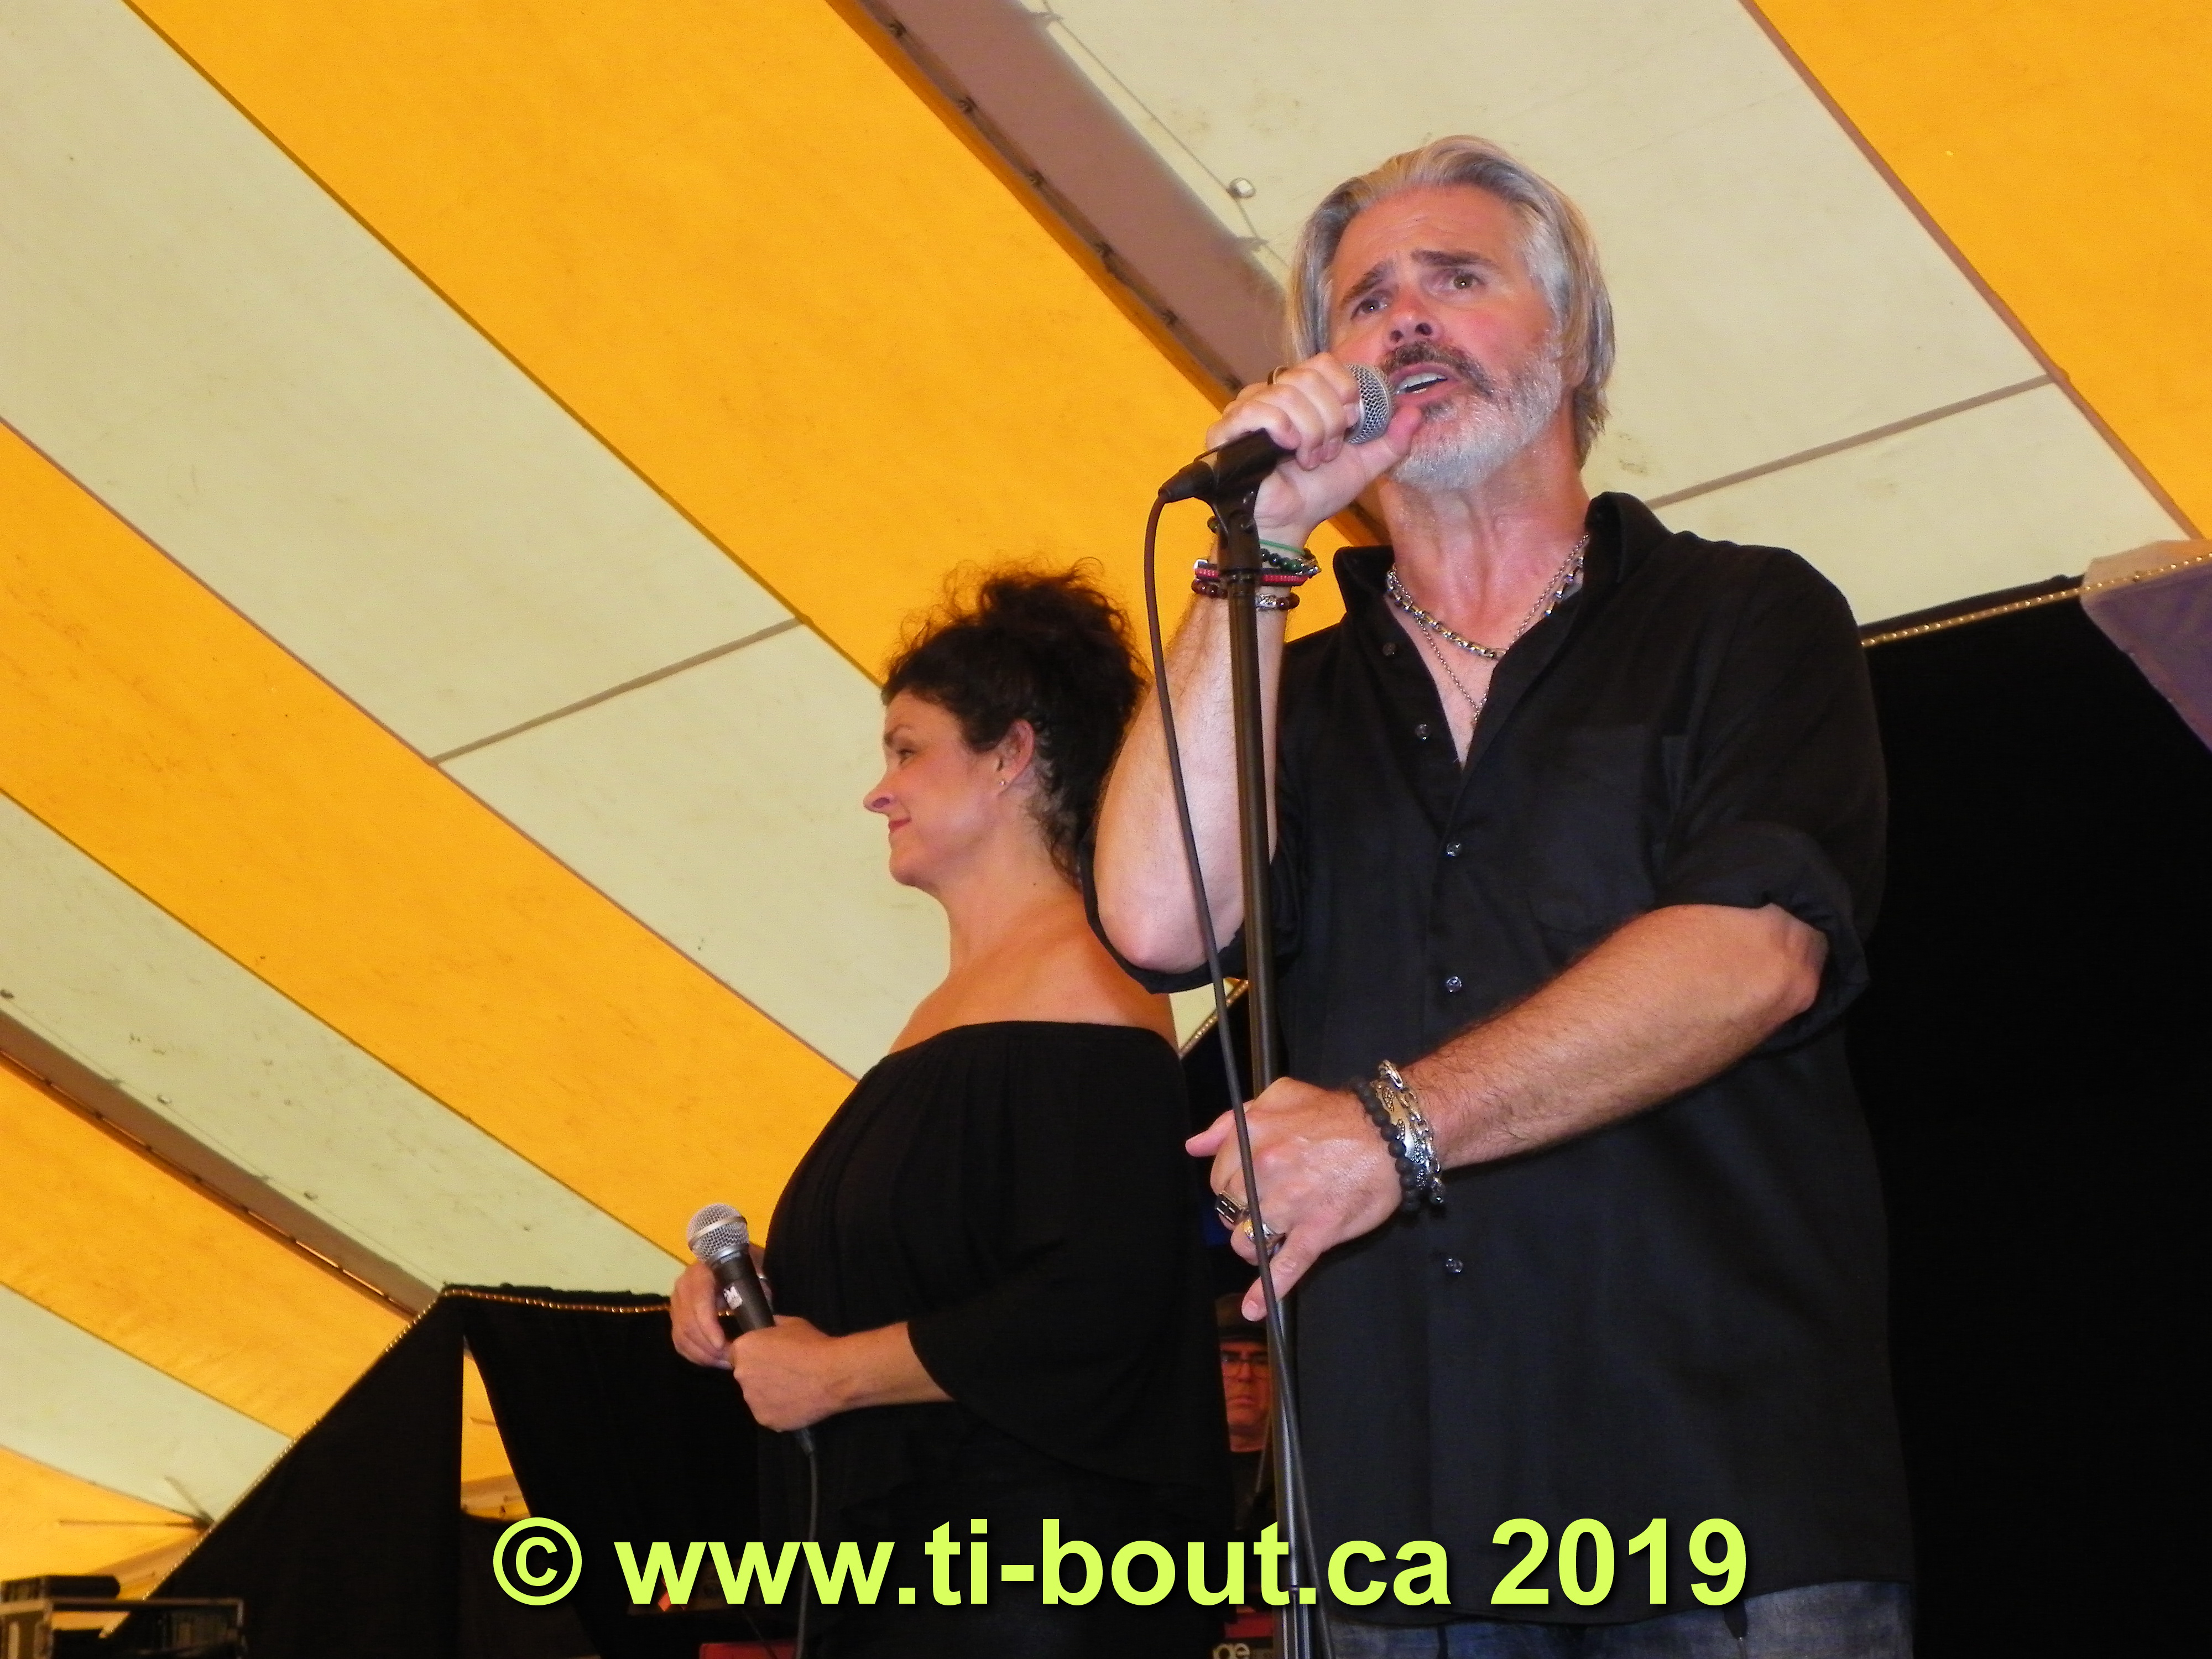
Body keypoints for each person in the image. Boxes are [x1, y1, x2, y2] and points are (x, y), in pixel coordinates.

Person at [1092, 137, 1912, 1656]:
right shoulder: (1291, 692)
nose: (1406, 318)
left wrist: (1389, 1130)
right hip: (1393, 1533)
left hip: (1720, 1510)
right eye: (1364, 303)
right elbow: (1155, 918)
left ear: (1576, 339)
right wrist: (1253, 558)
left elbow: (1753, 955)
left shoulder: (1743, 616)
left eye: (1457, 279)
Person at [671, 568, 1226, 1657]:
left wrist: (835, 1372)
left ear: (1012, 754)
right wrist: (751, 1296)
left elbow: (1097, 1291)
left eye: (906, 750)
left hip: (1024, 1584)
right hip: (919, 1574)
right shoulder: (958, 1010)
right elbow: (951, 1259)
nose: (877, 794)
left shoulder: (1088, 980)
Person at [1215, 1295, 1274, 1543]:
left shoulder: (1302, 1474)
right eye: (1228, 1359)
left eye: (1261, 1360)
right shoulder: (1173, 1468)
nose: (1245, 1374)